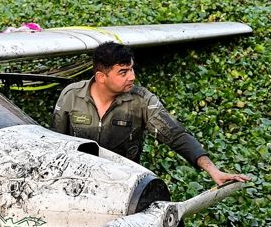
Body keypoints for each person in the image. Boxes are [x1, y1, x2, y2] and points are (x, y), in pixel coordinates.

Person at [52, 42, 249, 186]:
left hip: (123, 183)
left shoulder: (142, 101)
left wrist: (213, 170)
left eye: (132, 69)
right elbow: (55, 143)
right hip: (76, 181)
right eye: (123, 72)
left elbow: (175, 135)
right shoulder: (71, 96)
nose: (132, 77)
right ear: (101, 77)